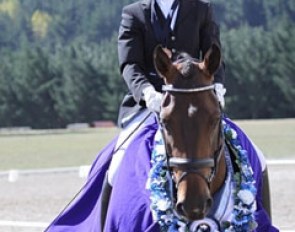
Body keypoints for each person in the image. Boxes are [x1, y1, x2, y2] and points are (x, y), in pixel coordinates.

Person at [45, 0, 278, 231]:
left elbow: (213, 55)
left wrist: (216, 86)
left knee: (257, 156)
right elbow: (130, 64)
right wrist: (147, 93)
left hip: (195, 101)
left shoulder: (200, 9)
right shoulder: (134, 14)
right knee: (115, 166)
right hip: (150, 105)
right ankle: (105, 226)